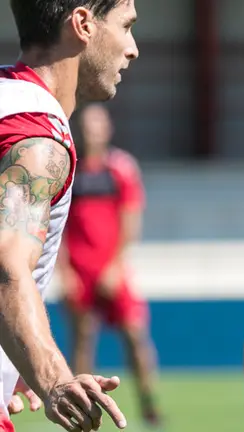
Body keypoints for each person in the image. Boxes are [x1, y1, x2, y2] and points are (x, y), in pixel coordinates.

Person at [0, 1, 139, 431]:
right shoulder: (39, 140)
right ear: (82, 25)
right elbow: (7, 268)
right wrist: (54, 379)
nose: (132, 48)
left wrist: (14, 360)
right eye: (126, 26)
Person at [56, 103, 162, 428]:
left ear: (108, 129)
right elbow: (55, 225)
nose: (91, 131)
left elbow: (130, 221)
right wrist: (65, 271)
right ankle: (82, 410)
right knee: (83, 339)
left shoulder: (120, 168)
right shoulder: (66, 169)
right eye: (86, 125)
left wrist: (115, 266)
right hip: (79, 271)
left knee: (134, 334)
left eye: (97, 125)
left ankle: (148, 403)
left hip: (112, 270)